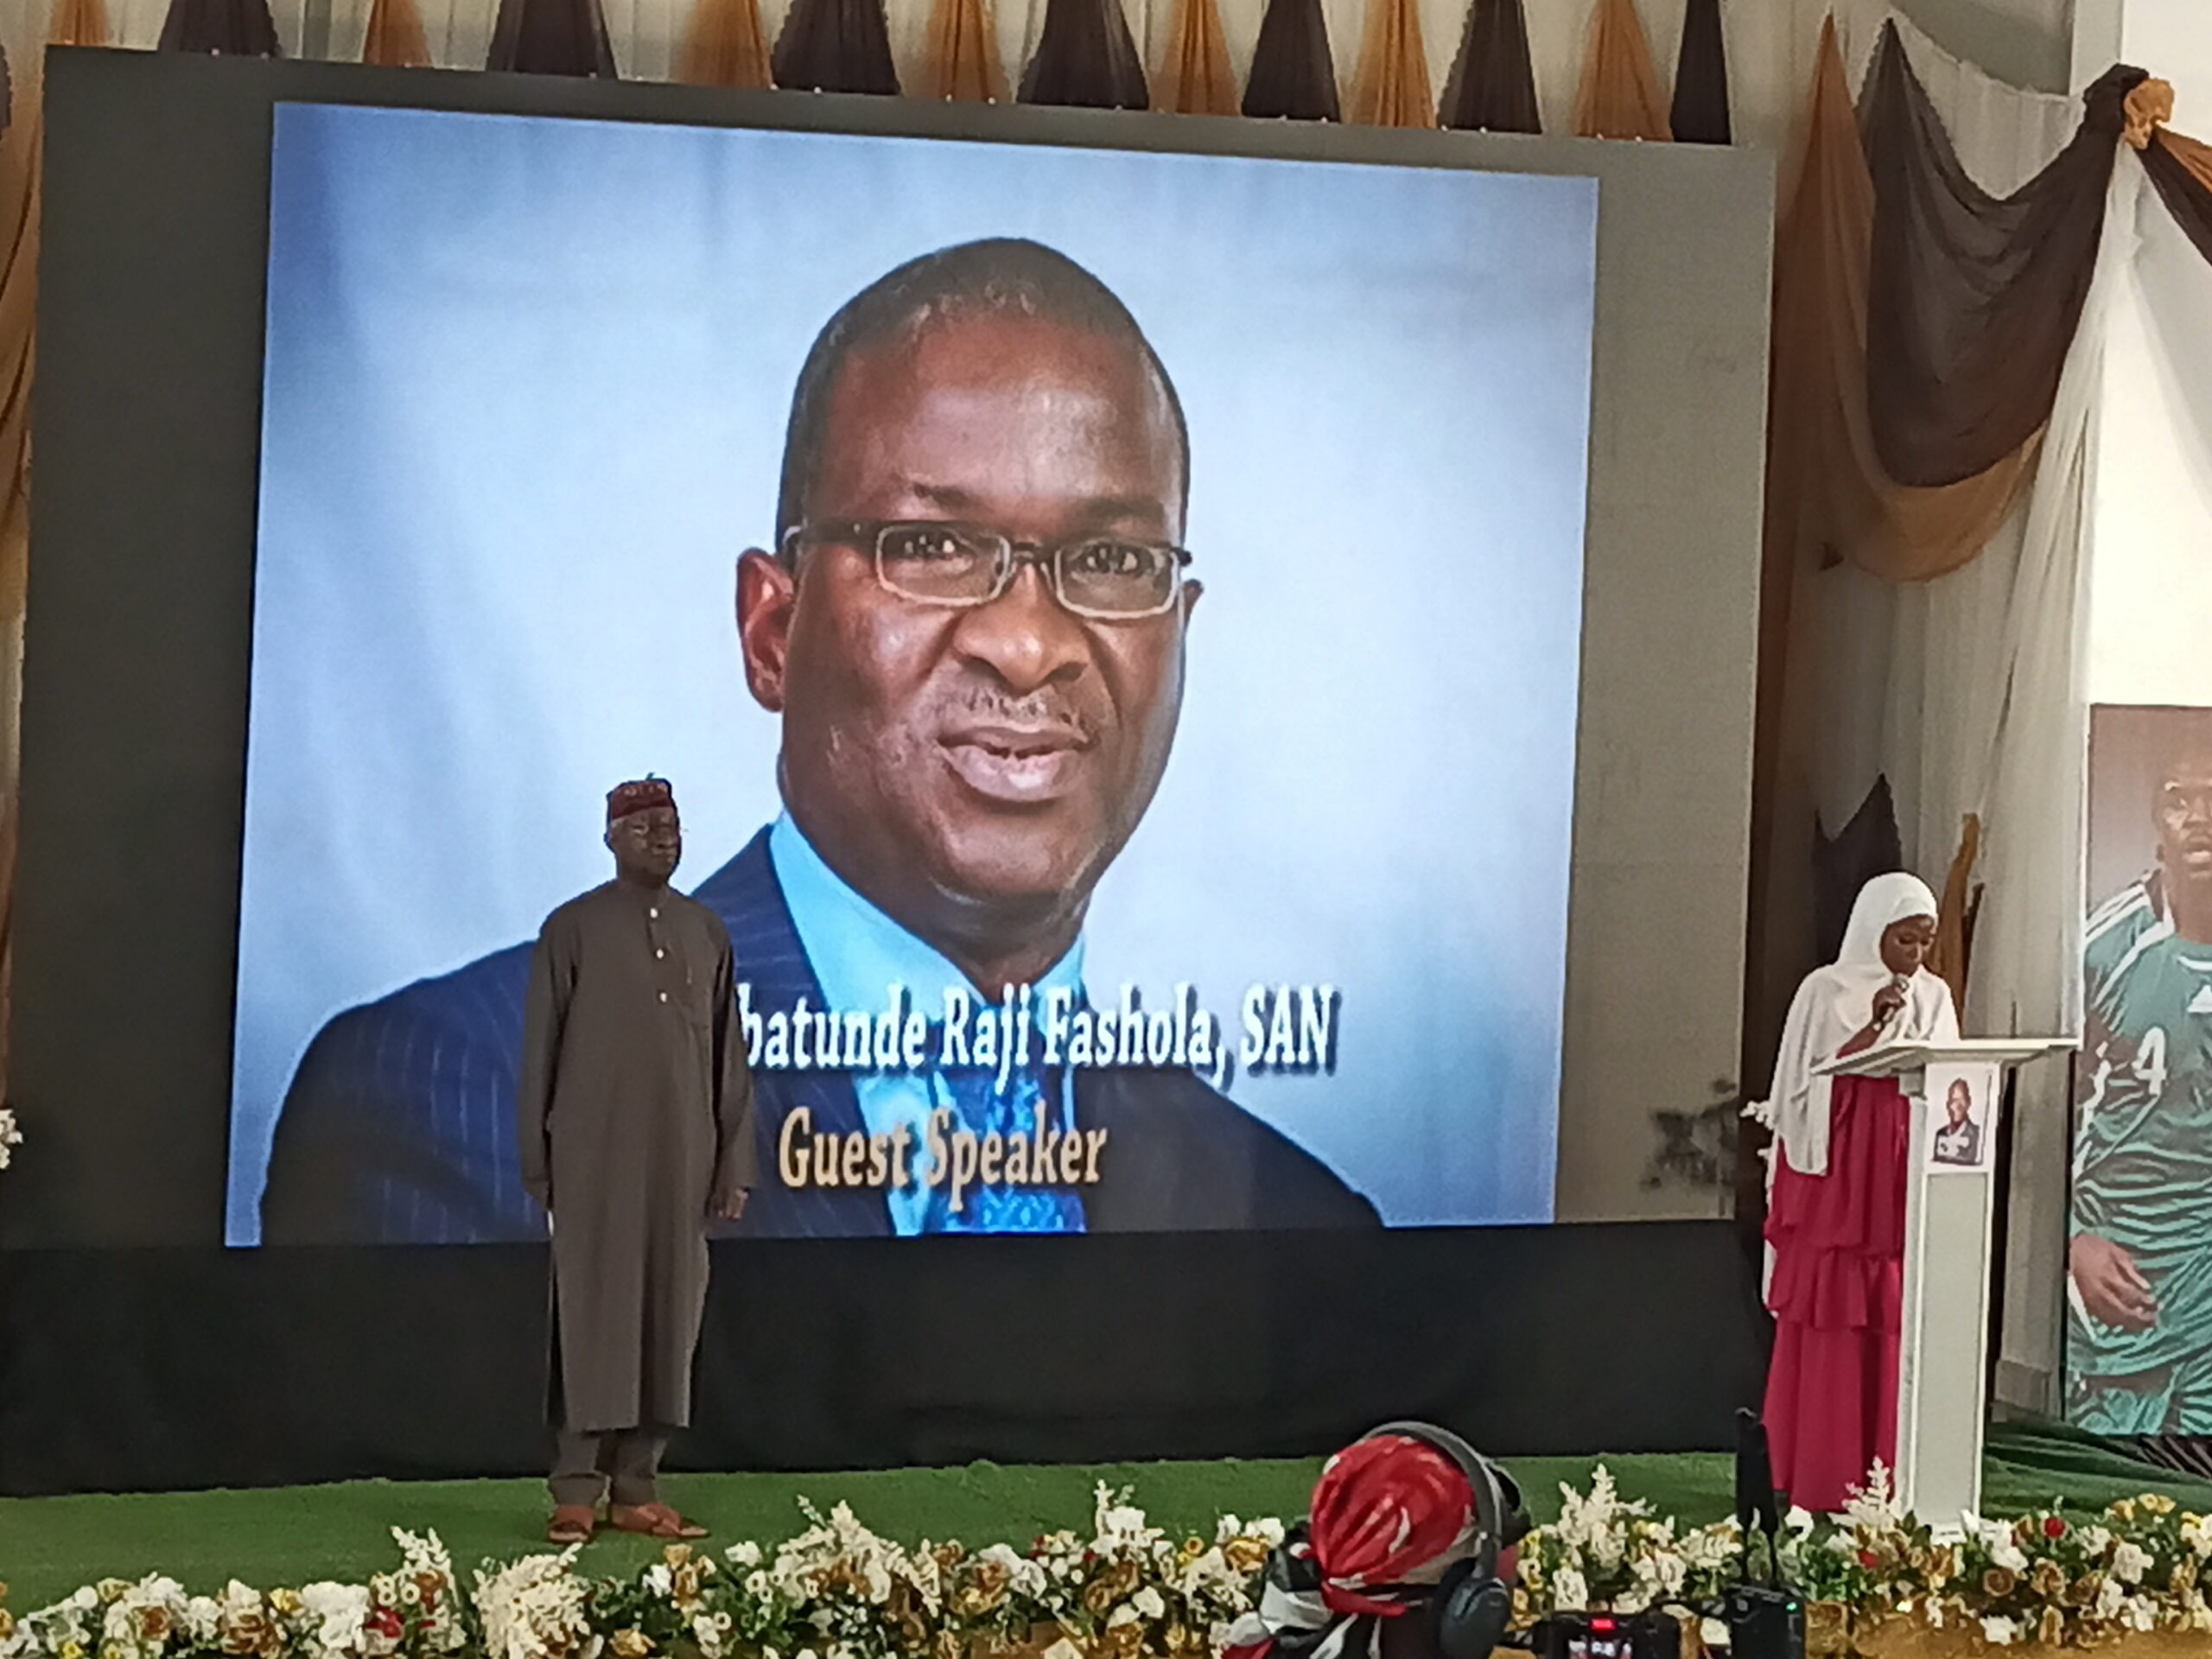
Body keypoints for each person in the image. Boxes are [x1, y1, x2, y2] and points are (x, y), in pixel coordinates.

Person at [260, 238, 1376, 1243]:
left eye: (1114, 562)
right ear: (772, 632)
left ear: (1178, 636)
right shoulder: (477, 1102)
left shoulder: (1298, 1224)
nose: (1030, 646)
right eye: (930, 545)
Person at [520, 778, 754, 1545]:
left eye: (672, 825)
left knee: (668, 1317)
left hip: (682, 1163)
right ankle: (577, 1489)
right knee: (593, 1317)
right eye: (645, 826)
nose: (663, 837)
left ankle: (638, 1487)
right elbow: (540, 1055)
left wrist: (733, 1165)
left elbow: (729, 1061)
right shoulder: (573, 929)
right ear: (612, 839)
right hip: (592, 1163)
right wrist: (538, 1160)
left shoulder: (705, 932)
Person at [1760, 872, 1958, 1514]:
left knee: (1891, 1309)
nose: (1916, 954)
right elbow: (1798, 1088)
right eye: (1905, 939)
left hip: (1899, 1172)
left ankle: (1891, 1471)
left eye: (1925, 942)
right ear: (1875, 929)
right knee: (1834, 1307)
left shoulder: (1933, 995)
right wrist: (1868, 1035)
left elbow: (1953, 1074)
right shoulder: (1825, 991)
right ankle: (1822, 1469)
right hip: (1841, 1177)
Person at [2069, 728, 2212, 1435]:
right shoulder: (2100, 949)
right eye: (2180, 799)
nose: (2201, 817)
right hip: (2129, 1289)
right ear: (2156, 817)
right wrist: (2071, 1239)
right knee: (2119, 1505)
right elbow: (2035, 1116)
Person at [1931, 1077, 1982, 1166]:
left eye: (1961, 1100)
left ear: (1968, 1103)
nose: (1958, 1106)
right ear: (1948, 1105)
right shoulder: (1941, 1134)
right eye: (1954, 1101)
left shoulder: (1976, 1134)